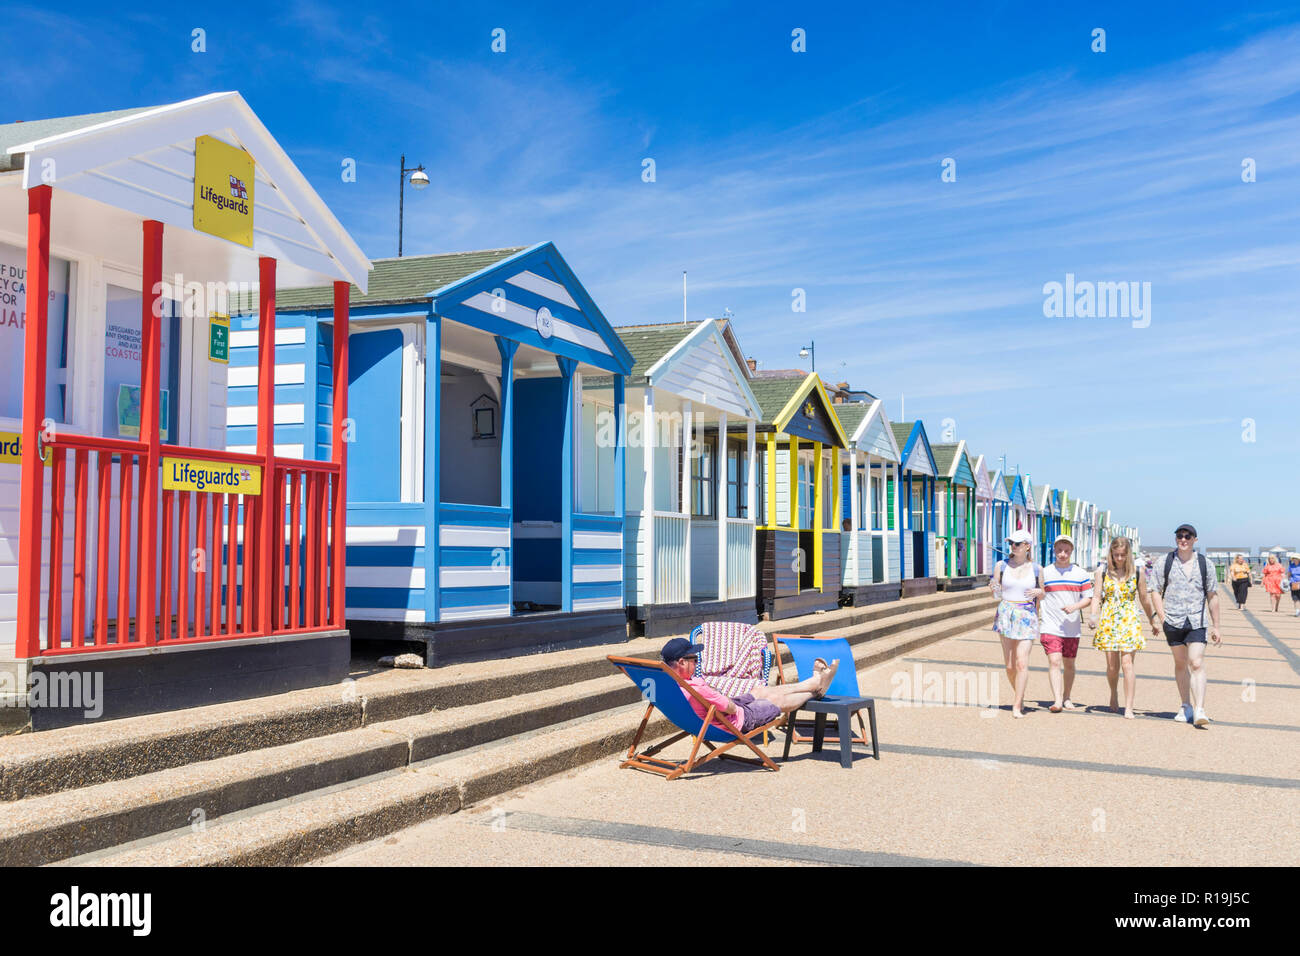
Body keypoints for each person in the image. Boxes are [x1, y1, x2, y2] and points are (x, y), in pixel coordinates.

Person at [660, 637, 838, 734]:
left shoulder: (665, 683)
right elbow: (729, 708)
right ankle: (816, 691)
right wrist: (716, 694)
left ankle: (812, 683)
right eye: (695, 659)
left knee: (759, 690)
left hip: (716, 714)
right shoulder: (697, 688)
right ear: (682, 662)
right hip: (734, 720)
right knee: (773, 699)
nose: (697, 663)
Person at [1149, 524, 1221, 727]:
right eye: (1179, 536)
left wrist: (1216, 626)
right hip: (1173, 620)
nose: (1183, 539)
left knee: (1196, 662)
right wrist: (1162, 618)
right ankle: (1185, 705)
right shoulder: (1165, 562)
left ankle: (1200, 709)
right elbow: (1155, 590)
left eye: (1187, 536)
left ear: (1195, 540)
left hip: (1197, 621)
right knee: (1180, 663)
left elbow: (1212, 596)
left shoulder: (1205, 564)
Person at [1087, 536, 1151, 718]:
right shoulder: (1103, 571)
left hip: (1129, 619)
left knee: (1127, 664)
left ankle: (1129, 706)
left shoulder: (1138, 572)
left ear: (1128, 554)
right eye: (1116, 555)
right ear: (1111, 554)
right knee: (1112, 666)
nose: (1120, 558)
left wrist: (1153, 619)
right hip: (1109, 620)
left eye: (1123, 555)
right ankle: (1113, 692)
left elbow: (1144, 598)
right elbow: (1097, 596)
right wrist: (1093, 616)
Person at [989, 529, 1044, 718]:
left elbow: (1042, 593)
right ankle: (1019, 693)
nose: (1013, 546)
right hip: (1006, 613)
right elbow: (996, 590)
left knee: (1022, 662)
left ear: (1027, 546)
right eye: (1011, 542)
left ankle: (1017, 704)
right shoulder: (1001, 565)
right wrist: (994, 586)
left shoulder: (1037, 569)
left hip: (1027, 615)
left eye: (1017, 543)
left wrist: (1039, 593)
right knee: (1010, 666)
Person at [1040, 535, 1094, 713]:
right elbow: (1038, 594)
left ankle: (1067, 696)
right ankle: (1057, 700)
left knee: (1069, 664)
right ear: (1054, 550)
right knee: (1054, 661)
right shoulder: (1045, 572)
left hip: (1072, 626)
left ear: (1071, 551)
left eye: (1066, 551)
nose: (1062, 554)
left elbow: (1088, 597)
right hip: (1050, 625)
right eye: (1059, 550)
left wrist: (1074, 607)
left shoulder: (1080, 574)